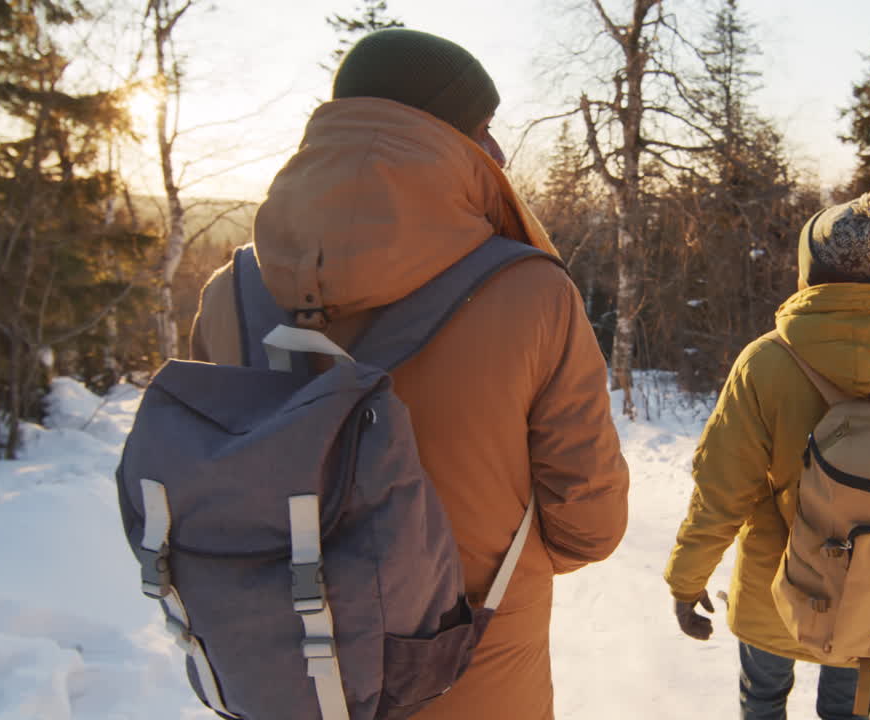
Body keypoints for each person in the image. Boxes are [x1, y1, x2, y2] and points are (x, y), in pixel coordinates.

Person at [188, 28, 630, 720]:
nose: (498, 149)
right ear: (456, 139)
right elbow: (589, 528)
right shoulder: (532, 292)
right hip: (471, 676)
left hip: (285, 675)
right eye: (484, 127)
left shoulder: (230, 292)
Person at [663, 191, 870, 720]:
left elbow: (722, 494)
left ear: (809, 269)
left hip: (777, 589)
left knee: (763, 701)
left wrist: (686, 582)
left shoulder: (767, 363)